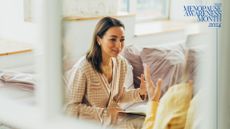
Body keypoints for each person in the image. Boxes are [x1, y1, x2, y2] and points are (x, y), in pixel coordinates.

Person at [65, 16, 148, 128]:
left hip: (113, 123)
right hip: (89, 125)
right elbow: (71, 109)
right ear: (99, 39)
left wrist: (140, 92)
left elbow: (119, 96)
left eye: (122, 40)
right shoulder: (84, 68)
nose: (118, 45)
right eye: (113, 39)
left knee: (146, 121)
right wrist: (105, 113)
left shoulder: (121, 63)